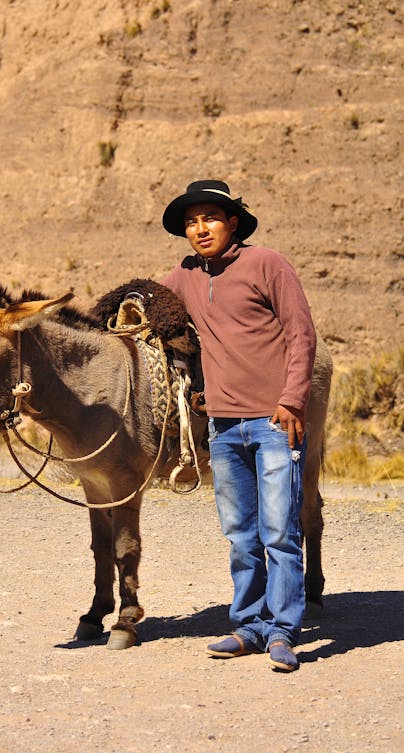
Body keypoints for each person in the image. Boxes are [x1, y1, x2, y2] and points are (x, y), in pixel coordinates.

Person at [160, 180, 316, 672]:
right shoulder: (184, 275)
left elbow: (301, 333)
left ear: (232, 222)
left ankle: (284, 632)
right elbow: (146, 307)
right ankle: (248, 625)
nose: (199, 228)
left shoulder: (267, 263)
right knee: (240, 535)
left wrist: (292, 400)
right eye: (190, 221)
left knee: (280, 533)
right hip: (223, 428)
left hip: (274, 422)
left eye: (209, 217)